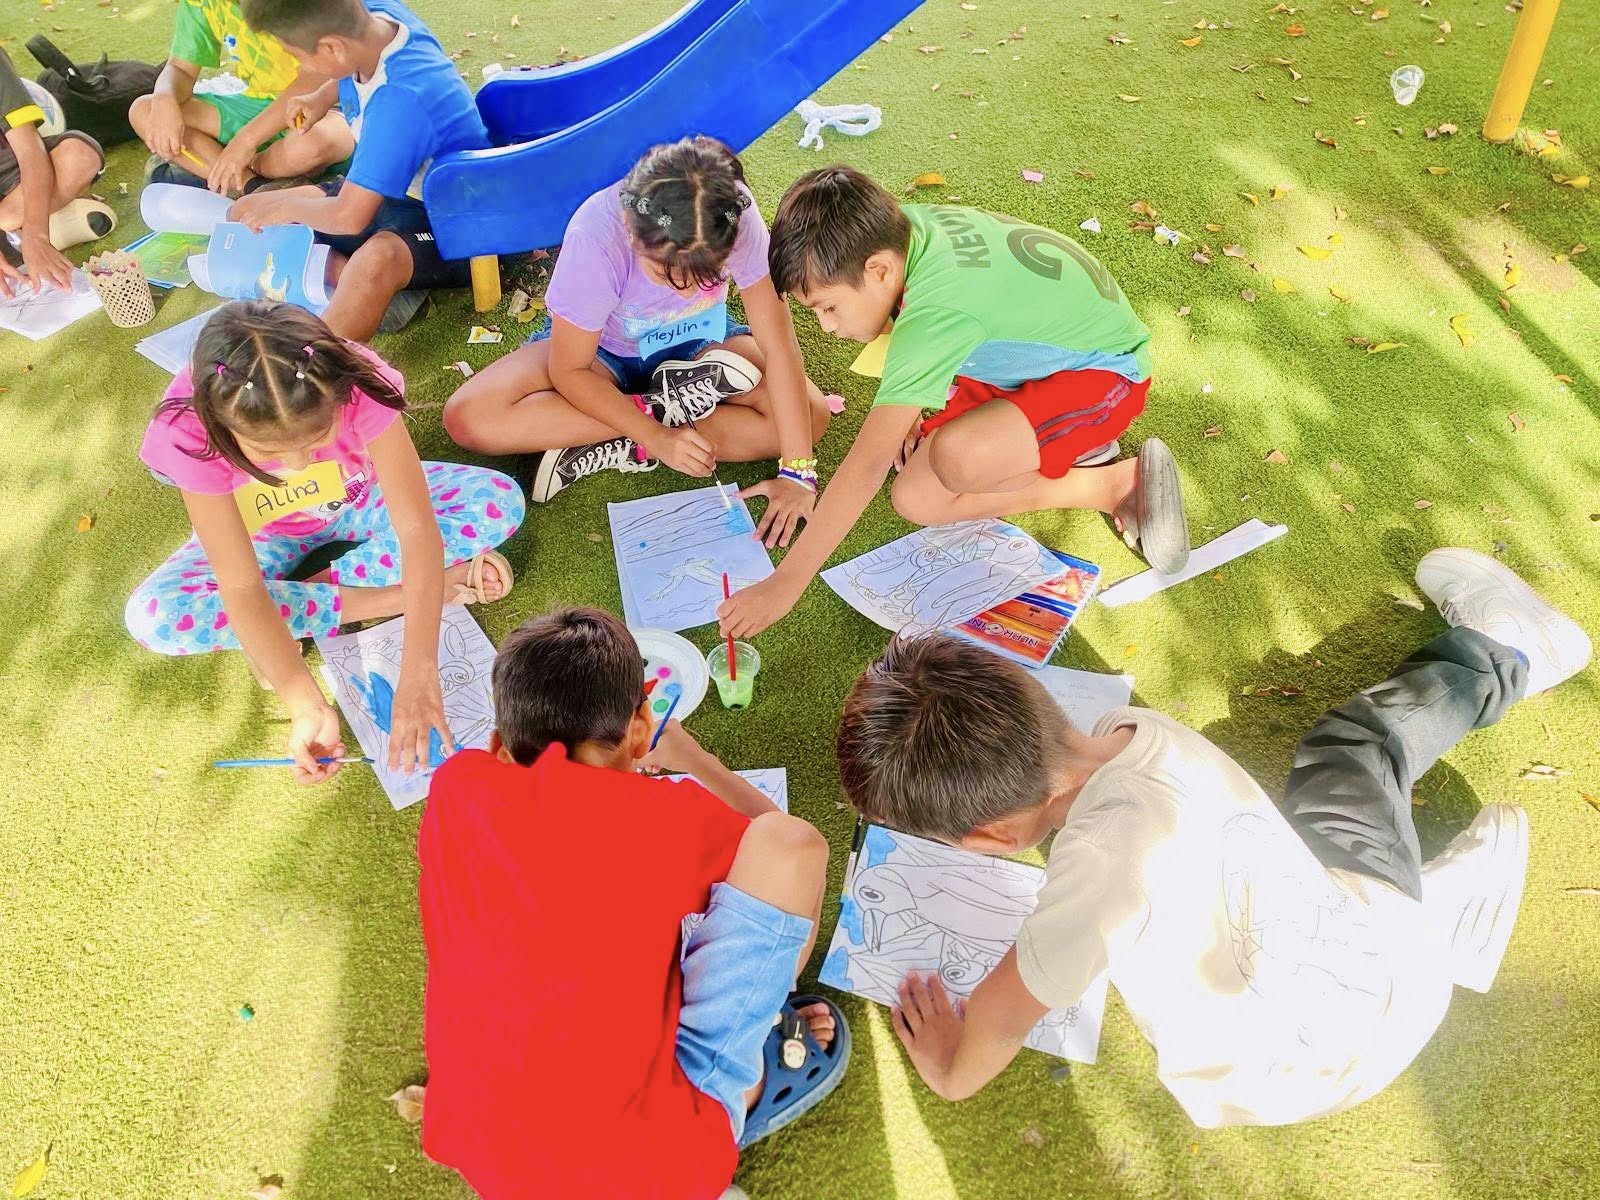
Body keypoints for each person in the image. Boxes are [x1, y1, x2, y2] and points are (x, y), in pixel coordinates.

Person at [834, 548, 1591, 1128]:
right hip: (1380, 974)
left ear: (991, 833)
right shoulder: (1134, 734)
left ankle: (1512, 653)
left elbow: (996, 1022)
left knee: (1357, 755)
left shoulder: (1094, 879)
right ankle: (1433, 915)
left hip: (1305, 1075)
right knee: (1346, 756)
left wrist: (948, 1071)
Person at [418, 607, 850, 1199]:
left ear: (497, 747)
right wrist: (695, 759)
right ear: (643, 727)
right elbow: (780, 845)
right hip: (653, 1168)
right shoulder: (668, 818)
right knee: (795, 848)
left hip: (485, 1153)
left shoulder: (454, 789)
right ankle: (746, 1080)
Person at [719, 165, 1186, 639]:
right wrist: (906, 400)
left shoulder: (937, 311)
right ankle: (1108, 484)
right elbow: (917, 320)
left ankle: (1078, 441)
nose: (827, 326)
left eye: (828, 307)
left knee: (962, 459)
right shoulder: (898, 230)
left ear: (878, 270)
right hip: (1016, 363)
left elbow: (869, 461)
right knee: (917, 499)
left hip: (1106, 377)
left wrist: (785, 584)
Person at [125, 300, 524, 783]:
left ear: (337, 392)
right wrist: (306, 705)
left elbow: (416, 528)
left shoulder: (357, 379)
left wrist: (420, 672)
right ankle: (393, 597)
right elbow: (241, 585)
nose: (296, 464)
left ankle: (296, 604)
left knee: (498, 501)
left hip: (363, 499)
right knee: (155, 617)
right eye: (268, 451)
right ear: (217, 422)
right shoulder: (190, 431)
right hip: (260, 537)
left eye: (316, 438)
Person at [444, 137, 831, 539]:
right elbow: (571, 369)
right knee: (470, 418)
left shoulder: (731, 213)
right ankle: (659, 411)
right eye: (667, 273)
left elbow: (778, 344)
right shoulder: (595, 235)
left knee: (811, 415)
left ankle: (621, 436)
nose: (685, 290)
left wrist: (798, 473)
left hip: (701, 349)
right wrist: (654, 434)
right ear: (630, 230)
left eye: (707, 276)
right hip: (600, 355)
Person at [233, 0, 490, 339]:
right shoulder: (371, 17)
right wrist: (321, 97)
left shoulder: (400, 101)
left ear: (331, 47)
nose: (301, 67)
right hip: (386, 193)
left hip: (457, 221)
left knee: (374, 260)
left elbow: (349, 217)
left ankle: (337, 329)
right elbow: (352, 69)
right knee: (243, 211)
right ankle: (359, 285)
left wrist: (288, 208)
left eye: (298, 56)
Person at [129, 0, 354, 196]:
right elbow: (181, 69)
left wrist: (245, 142)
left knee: (312, 145)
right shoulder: (202, 3)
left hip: (322, 106)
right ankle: (252, 185)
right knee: (144, 111)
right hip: (251, 109)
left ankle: (228, 166)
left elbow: (316, 77)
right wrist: (165, 98)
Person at [0, 46, 115, 297]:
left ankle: (21, 229)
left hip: (13, 174)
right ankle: (41, 222)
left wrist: (36, 235)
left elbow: (30, 152)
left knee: (80, 155)